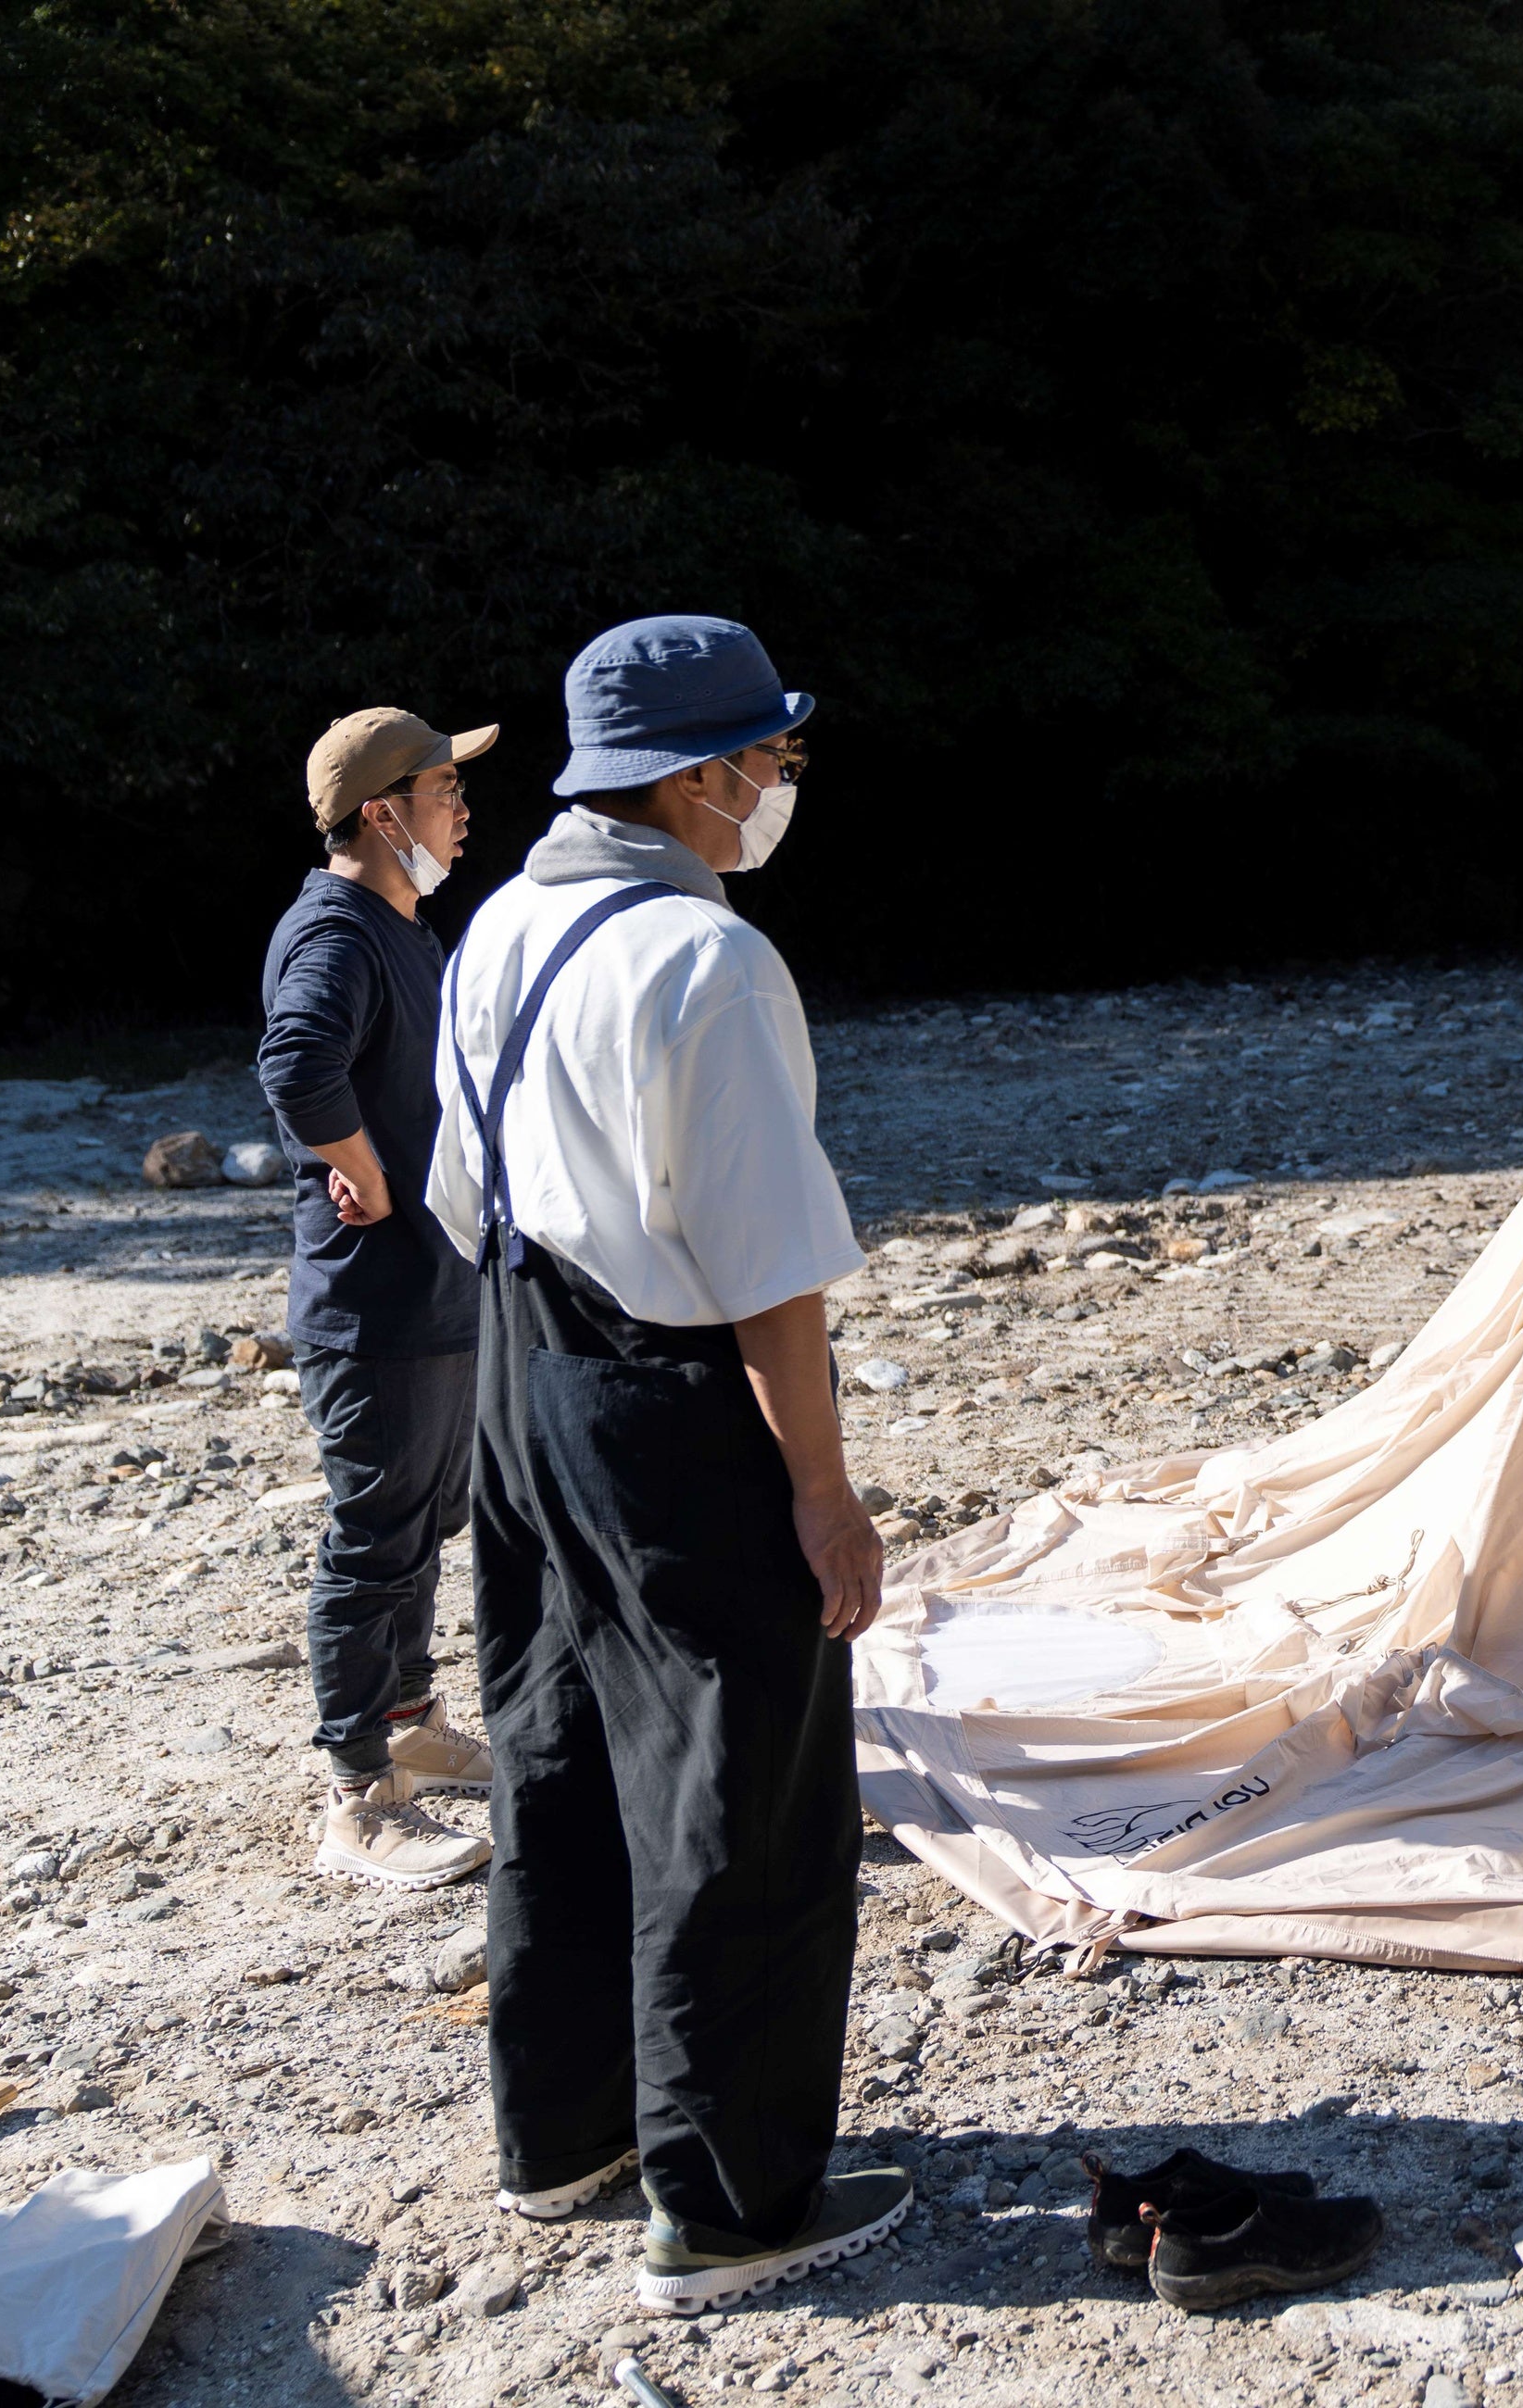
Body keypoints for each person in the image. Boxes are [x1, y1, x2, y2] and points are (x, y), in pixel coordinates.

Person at [426, 615, 907, 2309]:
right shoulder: (710, 962)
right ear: (698, 777)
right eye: (770, 754)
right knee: (742, 1780)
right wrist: (824, 1495)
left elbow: (460, 1192)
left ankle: (563, 2135)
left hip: (519, 1373)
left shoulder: (499, 923)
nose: (781, 779)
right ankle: (730, 2205)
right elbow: (768, 1266)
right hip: (667, 1394)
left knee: (556, 1749)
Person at [258, 709, 500, 1891]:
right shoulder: (337, 930)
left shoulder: (403, 924)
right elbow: (296, 1063)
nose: (462, 808)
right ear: (379, 810)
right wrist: (362, 1168)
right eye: (443, 787)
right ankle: (357, 1792)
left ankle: (409, 1723)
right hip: (373, 1302)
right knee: (373, 1535)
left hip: (432, 1291)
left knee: (422, 1519)